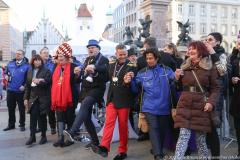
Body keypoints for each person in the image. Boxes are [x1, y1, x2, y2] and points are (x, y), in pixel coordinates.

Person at [173, 41, 220, 160]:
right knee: (183, 136)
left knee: (200, 140)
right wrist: (177, 79)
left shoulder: (210, 67)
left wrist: (210, 102)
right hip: (185, 104)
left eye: (193, 49)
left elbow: (216, 88)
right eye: (189, 49)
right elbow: (179, 87)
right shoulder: (184, 66)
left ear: (201, 51)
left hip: (201, 106)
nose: (189, 51)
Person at [128, 48, 175, 160]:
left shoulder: (167, 70)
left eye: (151, 58)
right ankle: (158, 154)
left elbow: (175, 84)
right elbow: (135, 90)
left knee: (162, 130)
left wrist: (178, 78)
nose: (148, 60)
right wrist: (130, 82)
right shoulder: (141, 73)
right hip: (148, 107)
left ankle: (157, 148)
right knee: (153, 128)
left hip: (164, 106)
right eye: (147, 58)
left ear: (157, 58)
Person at [91, 44, 136, 160]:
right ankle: (104, 147)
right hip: (112, 99)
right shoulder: (111, 64)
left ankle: (122, 151)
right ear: (116, 54)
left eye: (124, 54)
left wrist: (128, 80)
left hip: (124, 100)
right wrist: (94, 73)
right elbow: (105, 78)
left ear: (127, 54)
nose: (122, 57)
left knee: (122, 126)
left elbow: (131, 80)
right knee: (109, 123)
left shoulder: (131, 66)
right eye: (120, 54)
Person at [63, 39, 109, 149]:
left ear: (98, 49)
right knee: (87, 117)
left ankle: (72, 132)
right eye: (89, 48)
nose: (90, 50)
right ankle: (95, 141)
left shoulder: (104, 59)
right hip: (85, 90)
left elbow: (106, 77)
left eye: (92, 47)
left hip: (97, 89)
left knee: (85, 105)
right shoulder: (87, 59)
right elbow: (81, 79)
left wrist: (95, 70)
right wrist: (77, 74)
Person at [51, 42, 81, 147]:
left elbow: (77, 81)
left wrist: (77, 75)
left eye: (62, 56)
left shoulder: (74, 66)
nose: (60, 58)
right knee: (59, 117)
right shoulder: (56, 67)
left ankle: (70, 138)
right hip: (58, 98)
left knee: (69, 117)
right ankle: (60, 138)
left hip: (70, 97)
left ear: (67, 57)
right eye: (58, 56)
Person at [204, 32, 228, 159]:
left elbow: (222, 71)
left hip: (216, 94)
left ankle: (215, 156)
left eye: (210, 39)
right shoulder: (204, 55)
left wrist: (213, 53)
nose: (207, 41)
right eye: (206, 39)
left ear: (217, 42)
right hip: (203, 94)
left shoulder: (221, 55)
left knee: (213, 128)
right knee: (204, 127)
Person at [24, 55, 51, 145]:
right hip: (33, 98)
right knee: (33, 117)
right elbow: (27, 86)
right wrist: (25, 98)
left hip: (43, 97)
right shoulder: (30, 71)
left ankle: (43, 136)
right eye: (35, 60)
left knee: (42, 118)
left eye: (39, 60)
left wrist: (40, 81)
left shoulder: (46, 70)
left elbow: (48, 82)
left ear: (41, 61)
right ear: (33, 61)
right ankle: (32, 137)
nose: (37, 62)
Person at [3, 50, 29, 131]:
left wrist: (24, 86)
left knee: (21, 109)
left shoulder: (27, 66)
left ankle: (22, 125)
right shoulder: (10, 63)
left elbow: (29, 78)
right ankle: (11, 124)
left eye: (19, 54)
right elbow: (6, 72)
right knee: (10, 108)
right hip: (10, 90)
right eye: (16, 54)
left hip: (20, 91)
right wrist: (6, 75)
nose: (17, 55)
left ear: (23, 56)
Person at [39, 47, 56, 135]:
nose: (46, 54)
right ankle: (42, 127)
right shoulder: (38, 63)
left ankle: (53, 126)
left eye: (47, 52)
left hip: (50, 88)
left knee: (50, 109)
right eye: (44, 52)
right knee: (40, 109)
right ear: (40, 54)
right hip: (40, 88)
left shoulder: (52, 63)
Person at [229, 41, 240, 157]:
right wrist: (232, 80)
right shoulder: (235, 61)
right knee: (238, 128)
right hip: (237, 100)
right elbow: (229, 79)